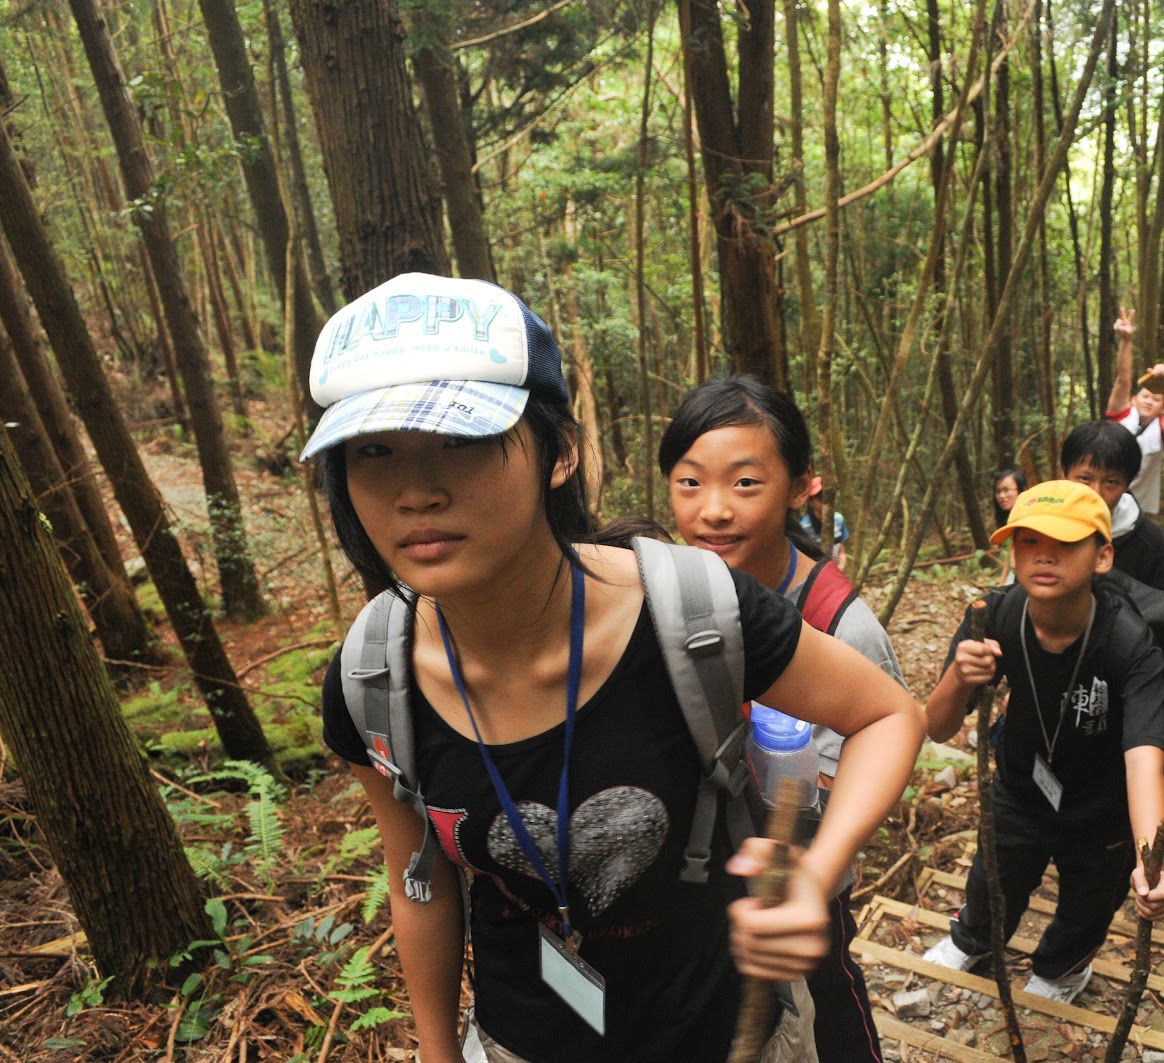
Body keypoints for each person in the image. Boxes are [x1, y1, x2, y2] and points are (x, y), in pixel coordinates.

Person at [306, 274, 924, 1063]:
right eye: (374, 451)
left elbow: (887, 714)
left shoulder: (690, 614)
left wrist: (814, 875)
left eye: (461, 440)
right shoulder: (371, 678)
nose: (416, 491)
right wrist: (436, 1050)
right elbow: (416, 878)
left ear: (560, 451)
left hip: (722, 1040)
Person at [659, 374, 907, 1063]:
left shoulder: (840, 630)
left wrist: (810, 870)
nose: (713, 510)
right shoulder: (666, 596)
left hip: (799, 897)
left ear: (801, 487)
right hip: (697, 897)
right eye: (689, 483)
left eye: (745, 484)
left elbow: (879, 749)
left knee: (831, 1028)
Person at [920, 480, 1164, 1003]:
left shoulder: (1129, 641)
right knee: (995, 877)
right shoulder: (993, 616)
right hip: (1022, 783)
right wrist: (960, 677)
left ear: (1102, 556)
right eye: (1029, 541)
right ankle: (973, 940)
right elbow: (938, 727)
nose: (1044, 555)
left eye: (1065, 543)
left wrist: (1149, 862)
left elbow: (1143, 760)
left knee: (1089, 903)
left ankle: (1062, 969)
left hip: (1104, 805)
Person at [1060, 420, 1164, 593]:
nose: (1096, 493)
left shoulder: (1148, 541)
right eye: (1085, 479)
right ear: (1064, 474)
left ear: (1127, 484)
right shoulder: (1041, 527)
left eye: (1111, 482)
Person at [1104, 308, 1164, 515]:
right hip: (1105, 503)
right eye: (1145, 396)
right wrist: (1126, 340)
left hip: (1140, 510)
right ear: (1134, 399)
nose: (1149, 401)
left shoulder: (1162, 431)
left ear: (1163, 408)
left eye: (1156, 399)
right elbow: (1123, 379)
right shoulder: (1122, 415)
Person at [799, 477, 848, 570]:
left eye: (828, 497)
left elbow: (841, 550)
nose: (826, 501)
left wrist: (840, 566)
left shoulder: (838, 520)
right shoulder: (804, 526)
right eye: (821, 498)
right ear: (811, 502)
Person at [992, 469, 1028, 585]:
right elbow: (1010, 555)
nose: (1002, 496)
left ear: (1023, 490)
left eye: (1006, 490)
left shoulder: (1029, 520)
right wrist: (1001, 585)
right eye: (998, 491)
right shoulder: (1010, 520)